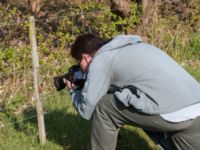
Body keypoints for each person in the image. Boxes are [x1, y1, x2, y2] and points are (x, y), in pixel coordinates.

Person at [65, 33, 200, 150]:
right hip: (195, 107)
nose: (80, 68)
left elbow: (86, 110)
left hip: (171, 114)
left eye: (79, 63)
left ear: (86, 58)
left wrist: (74, 92)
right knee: (133, 99)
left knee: (105, 108)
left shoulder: (101, 60)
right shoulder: (137, 46)